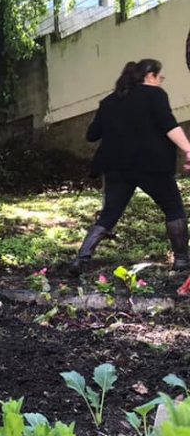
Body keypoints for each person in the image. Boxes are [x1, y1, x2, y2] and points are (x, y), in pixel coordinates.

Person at [69, 58, 190, 275]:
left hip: (116, 168)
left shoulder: (108, 102)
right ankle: (181, 261)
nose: (160, 82)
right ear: (149, 76)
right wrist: (189, 149)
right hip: (151, 166)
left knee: (109, 214)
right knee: (173, 208)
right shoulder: (155, 95)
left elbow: (91, 135)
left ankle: (81, 259)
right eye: (159, 77)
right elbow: (169, 126)